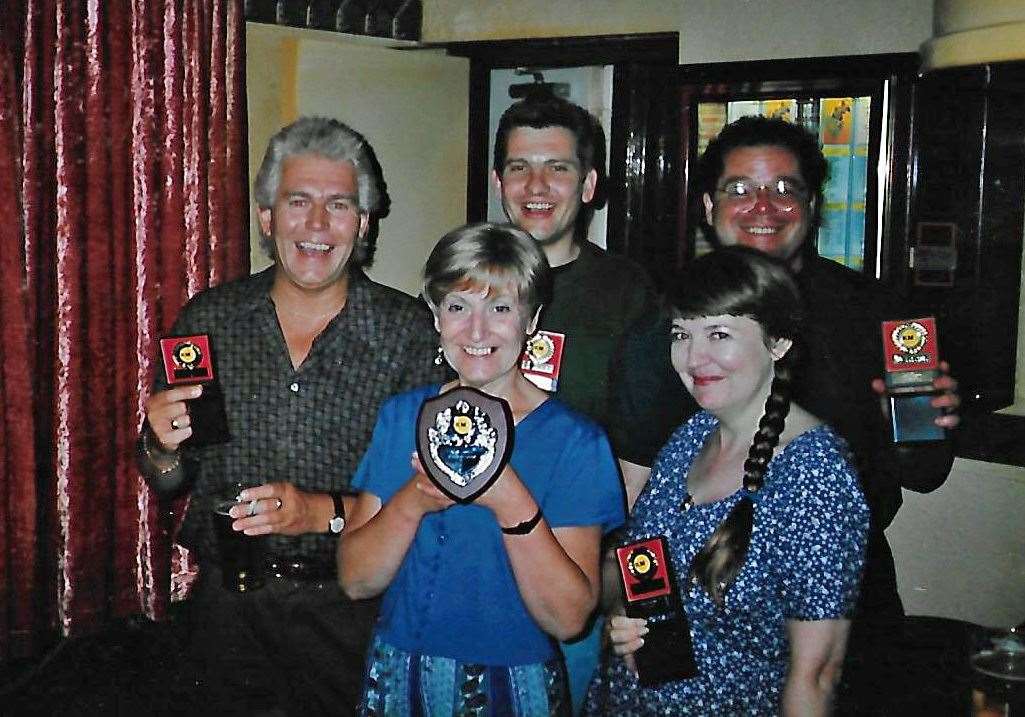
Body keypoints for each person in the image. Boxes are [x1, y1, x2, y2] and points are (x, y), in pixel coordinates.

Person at [607, 115, 961, 710]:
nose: (762, 206)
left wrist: (928, 425)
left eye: (784, 188)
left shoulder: (879, 316)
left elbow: (924, 473)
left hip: (842, 618)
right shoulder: (665, 330)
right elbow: (640, 510)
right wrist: (634, 614)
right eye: (739, 189)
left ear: (812, 203)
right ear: (707, 204)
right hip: (686, 629)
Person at [137, 117, 445, 715]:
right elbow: (166, 477)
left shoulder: (408, 332)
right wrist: (162, 443)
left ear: (364, 224)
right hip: (228, 605)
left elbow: (425, 491)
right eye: (298, 201)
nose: (318, 225)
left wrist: (318, 512)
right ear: (266, 217)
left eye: (339, 205)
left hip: (351, 604)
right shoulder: (211, 320)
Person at [338, 222, 625, 716]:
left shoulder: (576, 442)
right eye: (457, 307)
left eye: (500, 308)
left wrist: (510, 499)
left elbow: (569, 619)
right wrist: (415, 499)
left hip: (516, 683)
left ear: (531, 318)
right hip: (399, 672)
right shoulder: (403, 417)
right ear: (435, 315)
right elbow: (356, 580)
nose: (476, 331)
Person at [586, 246, 870, 715]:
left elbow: (816, 676)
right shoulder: (691, 435)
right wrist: (621, 614)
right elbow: (637, 566)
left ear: (778, 342)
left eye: (719, 333)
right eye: (682, 334)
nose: (694, 358)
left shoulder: (815, 477)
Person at [492, 93, 656, 713]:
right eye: (518, 166)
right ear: (498, 180)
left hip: (574, 569)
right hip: (473, 558)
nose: (536, 185)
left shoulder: (629, 293)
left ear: (588, 184)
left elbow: (640, 463)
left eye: (557, 167)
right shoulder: (468, 276)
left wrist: (606, 581)